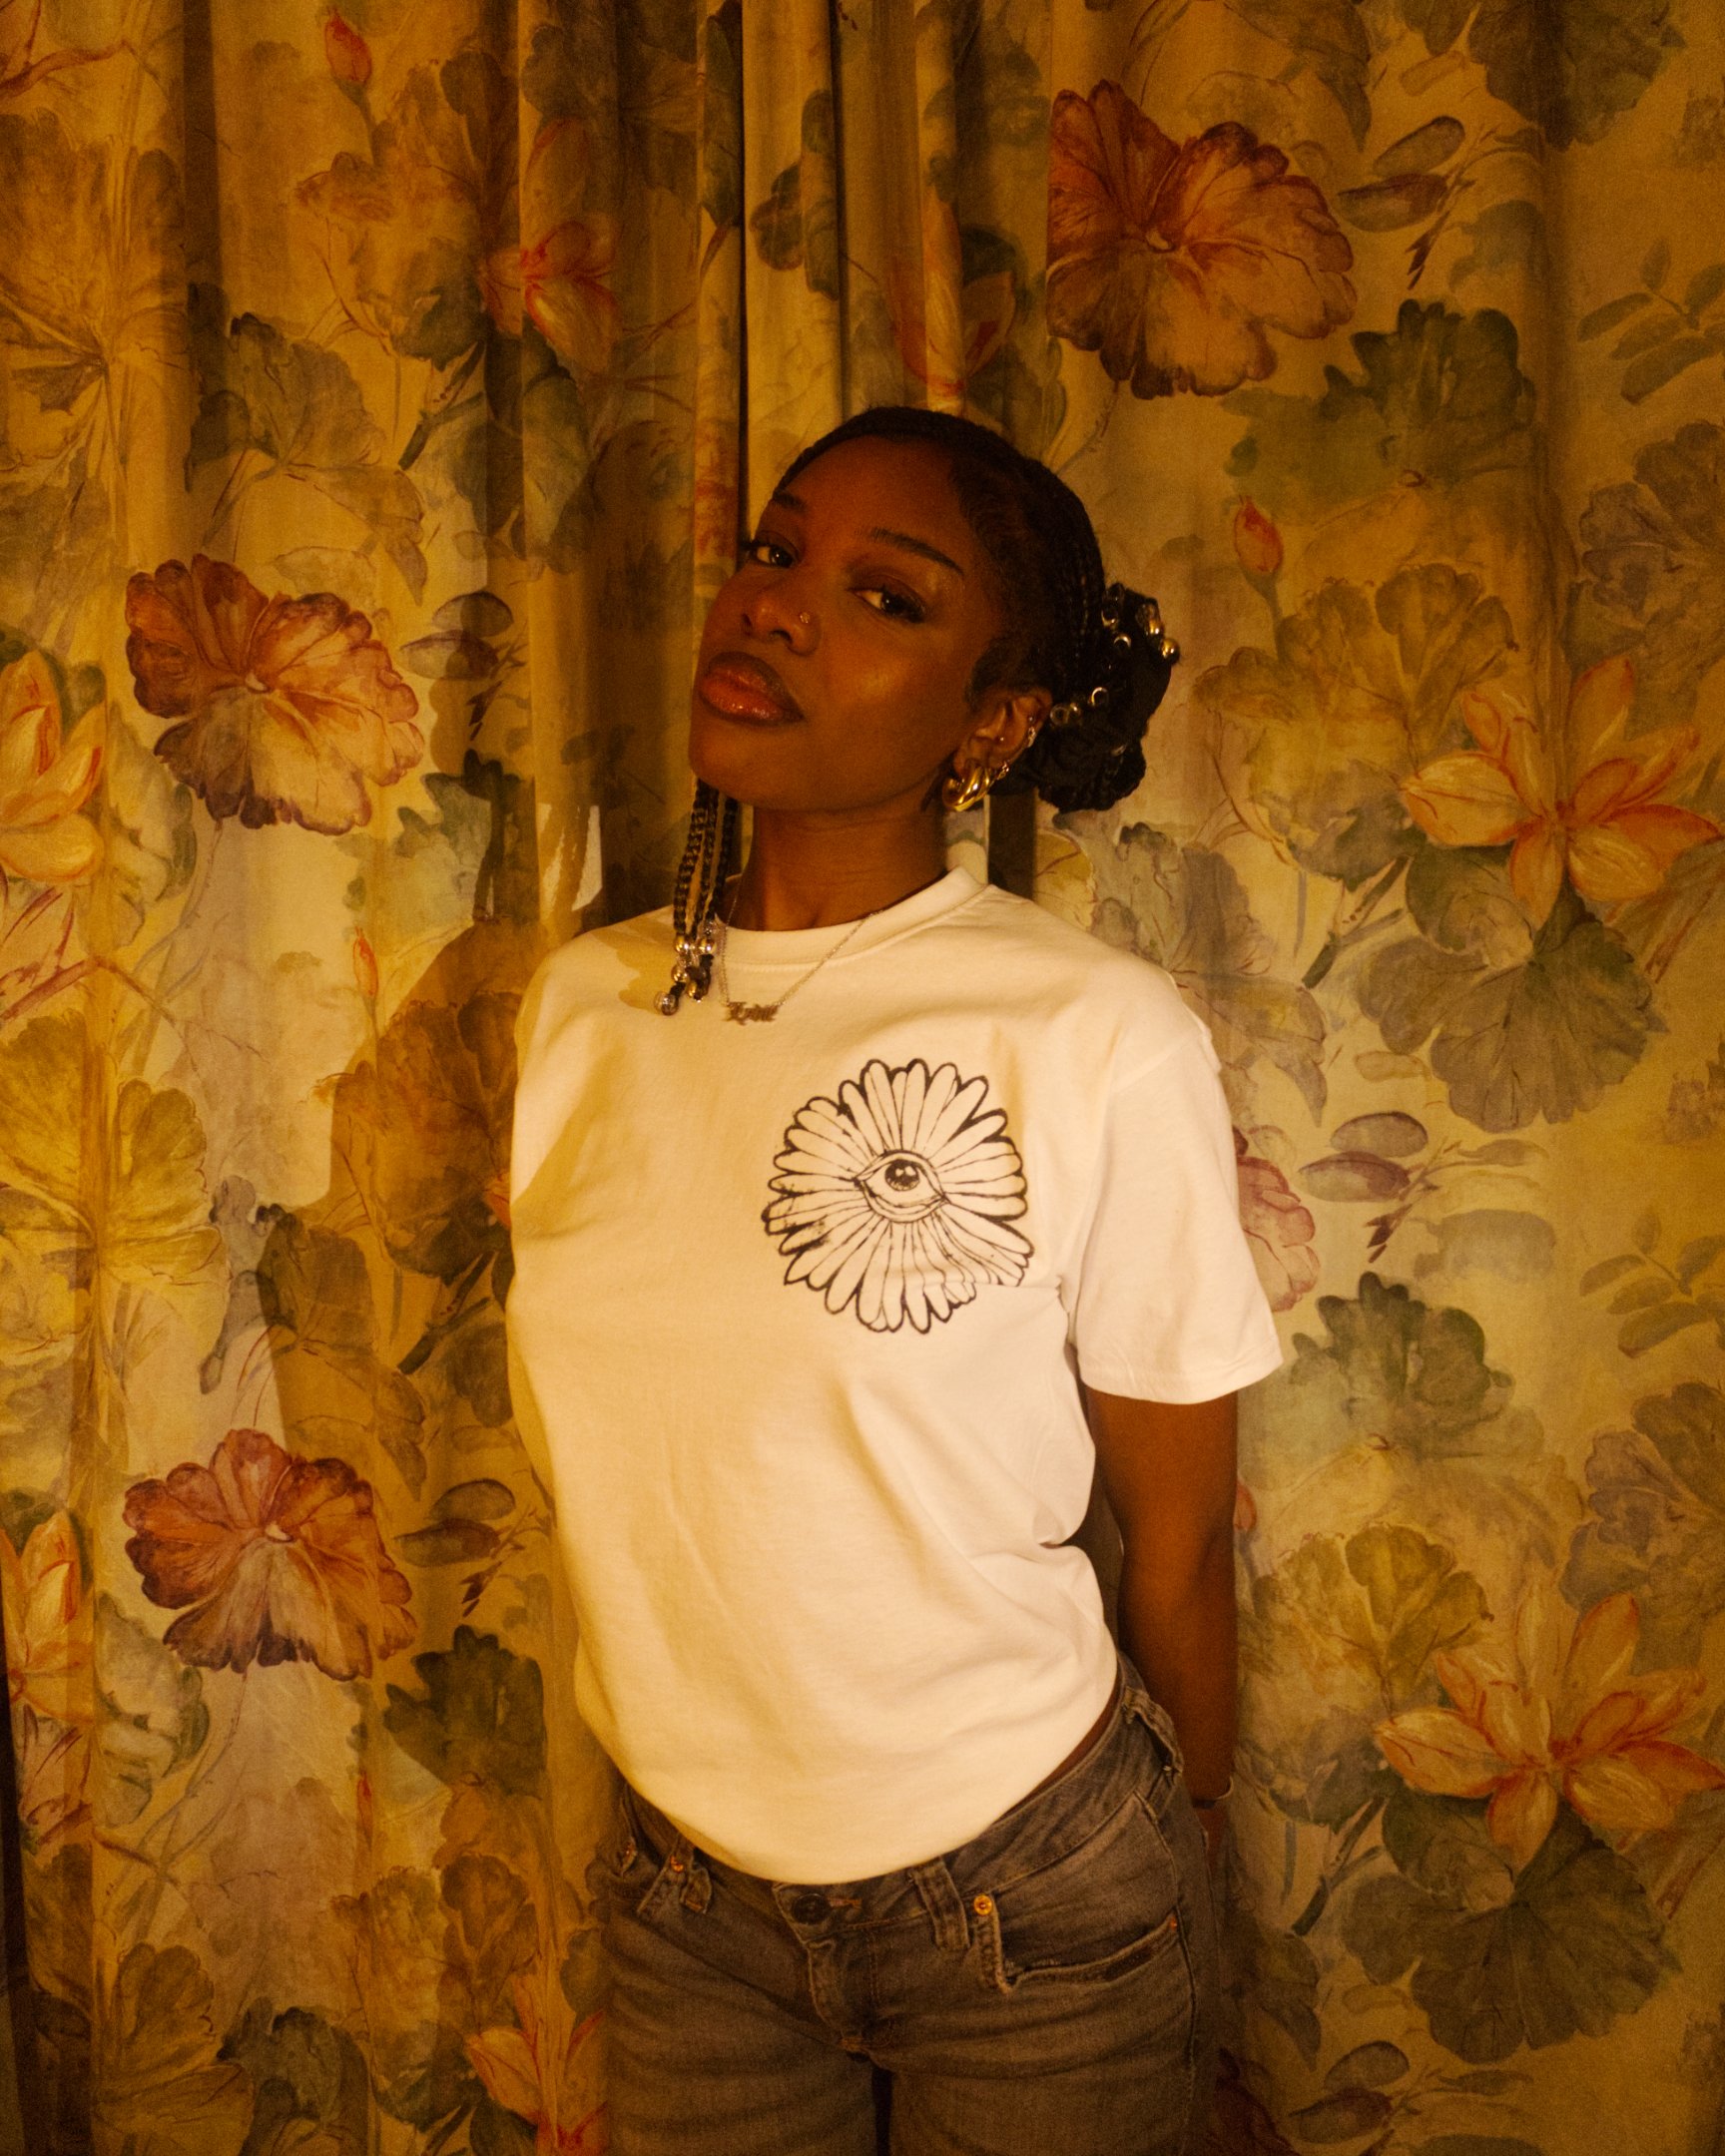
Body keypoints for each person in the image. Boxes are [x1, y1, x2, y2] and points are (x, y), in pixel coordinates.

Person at [507, 406, 1283, 2156]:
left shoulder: (1090, 1036)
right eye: (777, 550)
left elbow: (1176, 1537)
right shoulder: (585, 1008)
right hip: (688, 1897)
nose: (775, 605)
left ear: (992, 726)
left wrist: (1193, 1833)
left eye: (887, 597)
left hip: (1031, 1891)